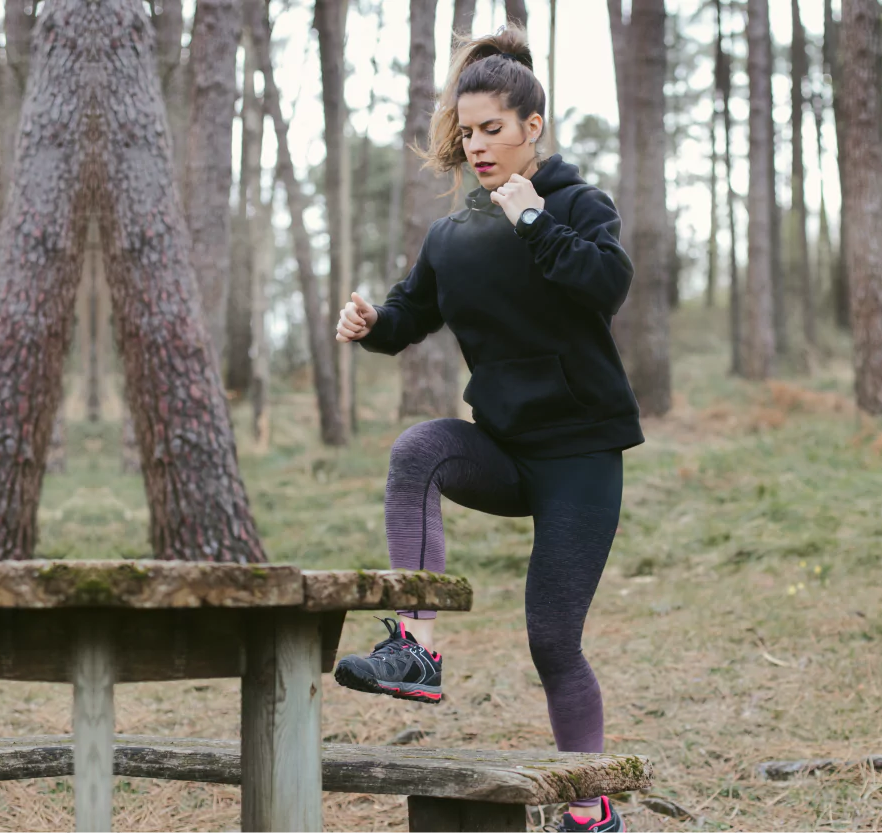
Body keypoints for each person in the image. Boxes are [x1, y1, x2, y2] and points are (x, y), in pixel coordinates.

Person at [331, 22, 641, 833]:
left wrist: (534, 219)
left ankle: (590, 809)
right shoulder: (454, 235)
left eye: (492, 129)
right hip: (504, 450)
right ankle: (415, 648)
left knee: (551, 640)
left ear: (531, 127)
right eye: (465, 131)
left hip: (579, 457)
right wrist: (370, 322)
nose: (476, 145)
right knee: (419, 449)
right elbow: (409, 313)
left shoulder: (576, 203)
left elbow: (605, 284)